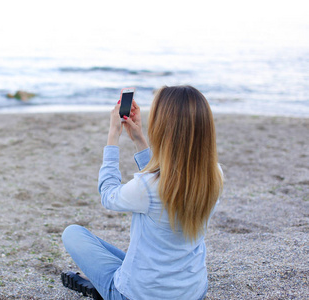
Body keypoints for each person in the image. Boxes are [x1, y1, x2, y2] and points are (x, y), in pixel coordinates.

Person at [61, 85, 224, 300]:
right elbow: (166, 180)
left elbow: (108, 194)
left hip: (138, 295)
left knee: (72, 233)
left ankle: (104, 289)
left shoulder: (147, 186)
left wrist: (113, 136)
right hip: (193, 292)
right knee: (134, 257)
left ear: (163, 127)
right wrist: (139, 139)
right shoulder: (214, 175)